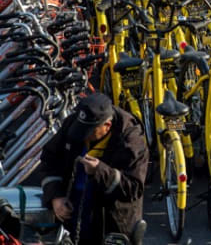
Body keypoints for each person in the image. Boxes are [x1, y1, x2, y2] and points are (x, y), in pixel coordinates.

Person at [40, 93, 149, 245]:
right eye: (81, 130)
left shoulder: (131, 141)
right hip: (74, 220)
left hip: (112, 227)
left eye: (89, 132)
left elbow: (133, 188)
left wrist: (99, 171)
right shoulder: (76, 122)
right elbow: (49, 160)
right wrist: (55, 196)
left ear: (107, 126)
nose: (83, 137)